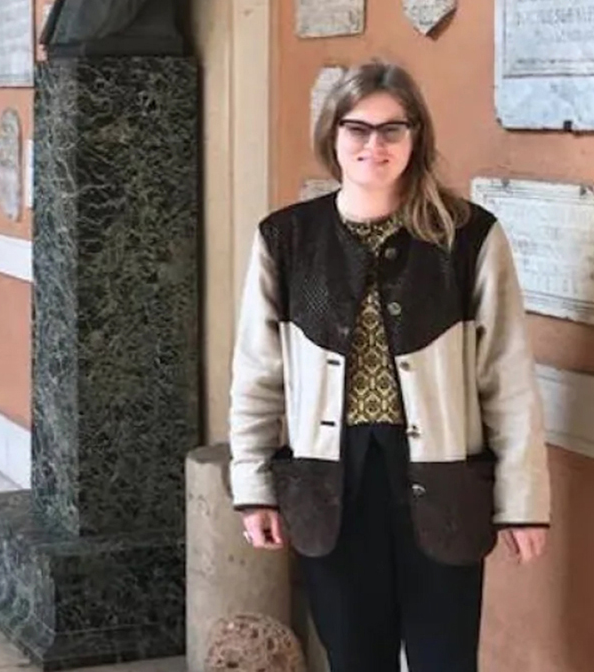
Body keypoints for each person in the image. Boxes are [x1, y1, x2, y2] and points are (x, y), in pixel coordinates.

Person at [227, 60, 551, 672]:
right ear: (333, 135)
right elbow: (257, 378)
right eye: (357, 128)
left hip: (443, 482)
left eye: (391, 129)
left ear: (415, 137)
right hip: (331, 484)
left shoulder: (467, 236)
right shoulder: (287, 240)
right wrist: (253, 490)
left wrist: (523, 502)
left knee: (445, 658)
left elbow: (507, 379)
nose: (373, 145)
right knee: (354, 656)